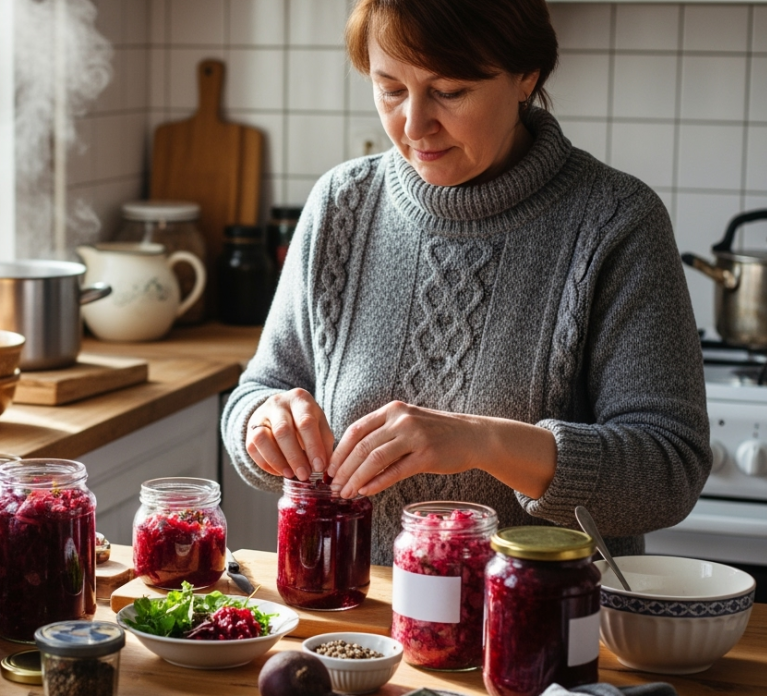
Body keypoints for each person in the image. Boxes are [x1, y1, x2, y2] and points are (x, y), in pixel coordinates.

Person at [221, 0, 710, 564]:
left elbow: (670, 471)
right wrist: (263, 422)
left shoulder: (616, 221)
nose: (413, 124)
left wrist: (483, 442)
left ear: (527, 76)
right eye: (390, 89)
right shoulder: (341, 205)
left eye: (449, 91)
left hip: (541, 623)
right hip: (360, 623)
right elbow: (255, 395)